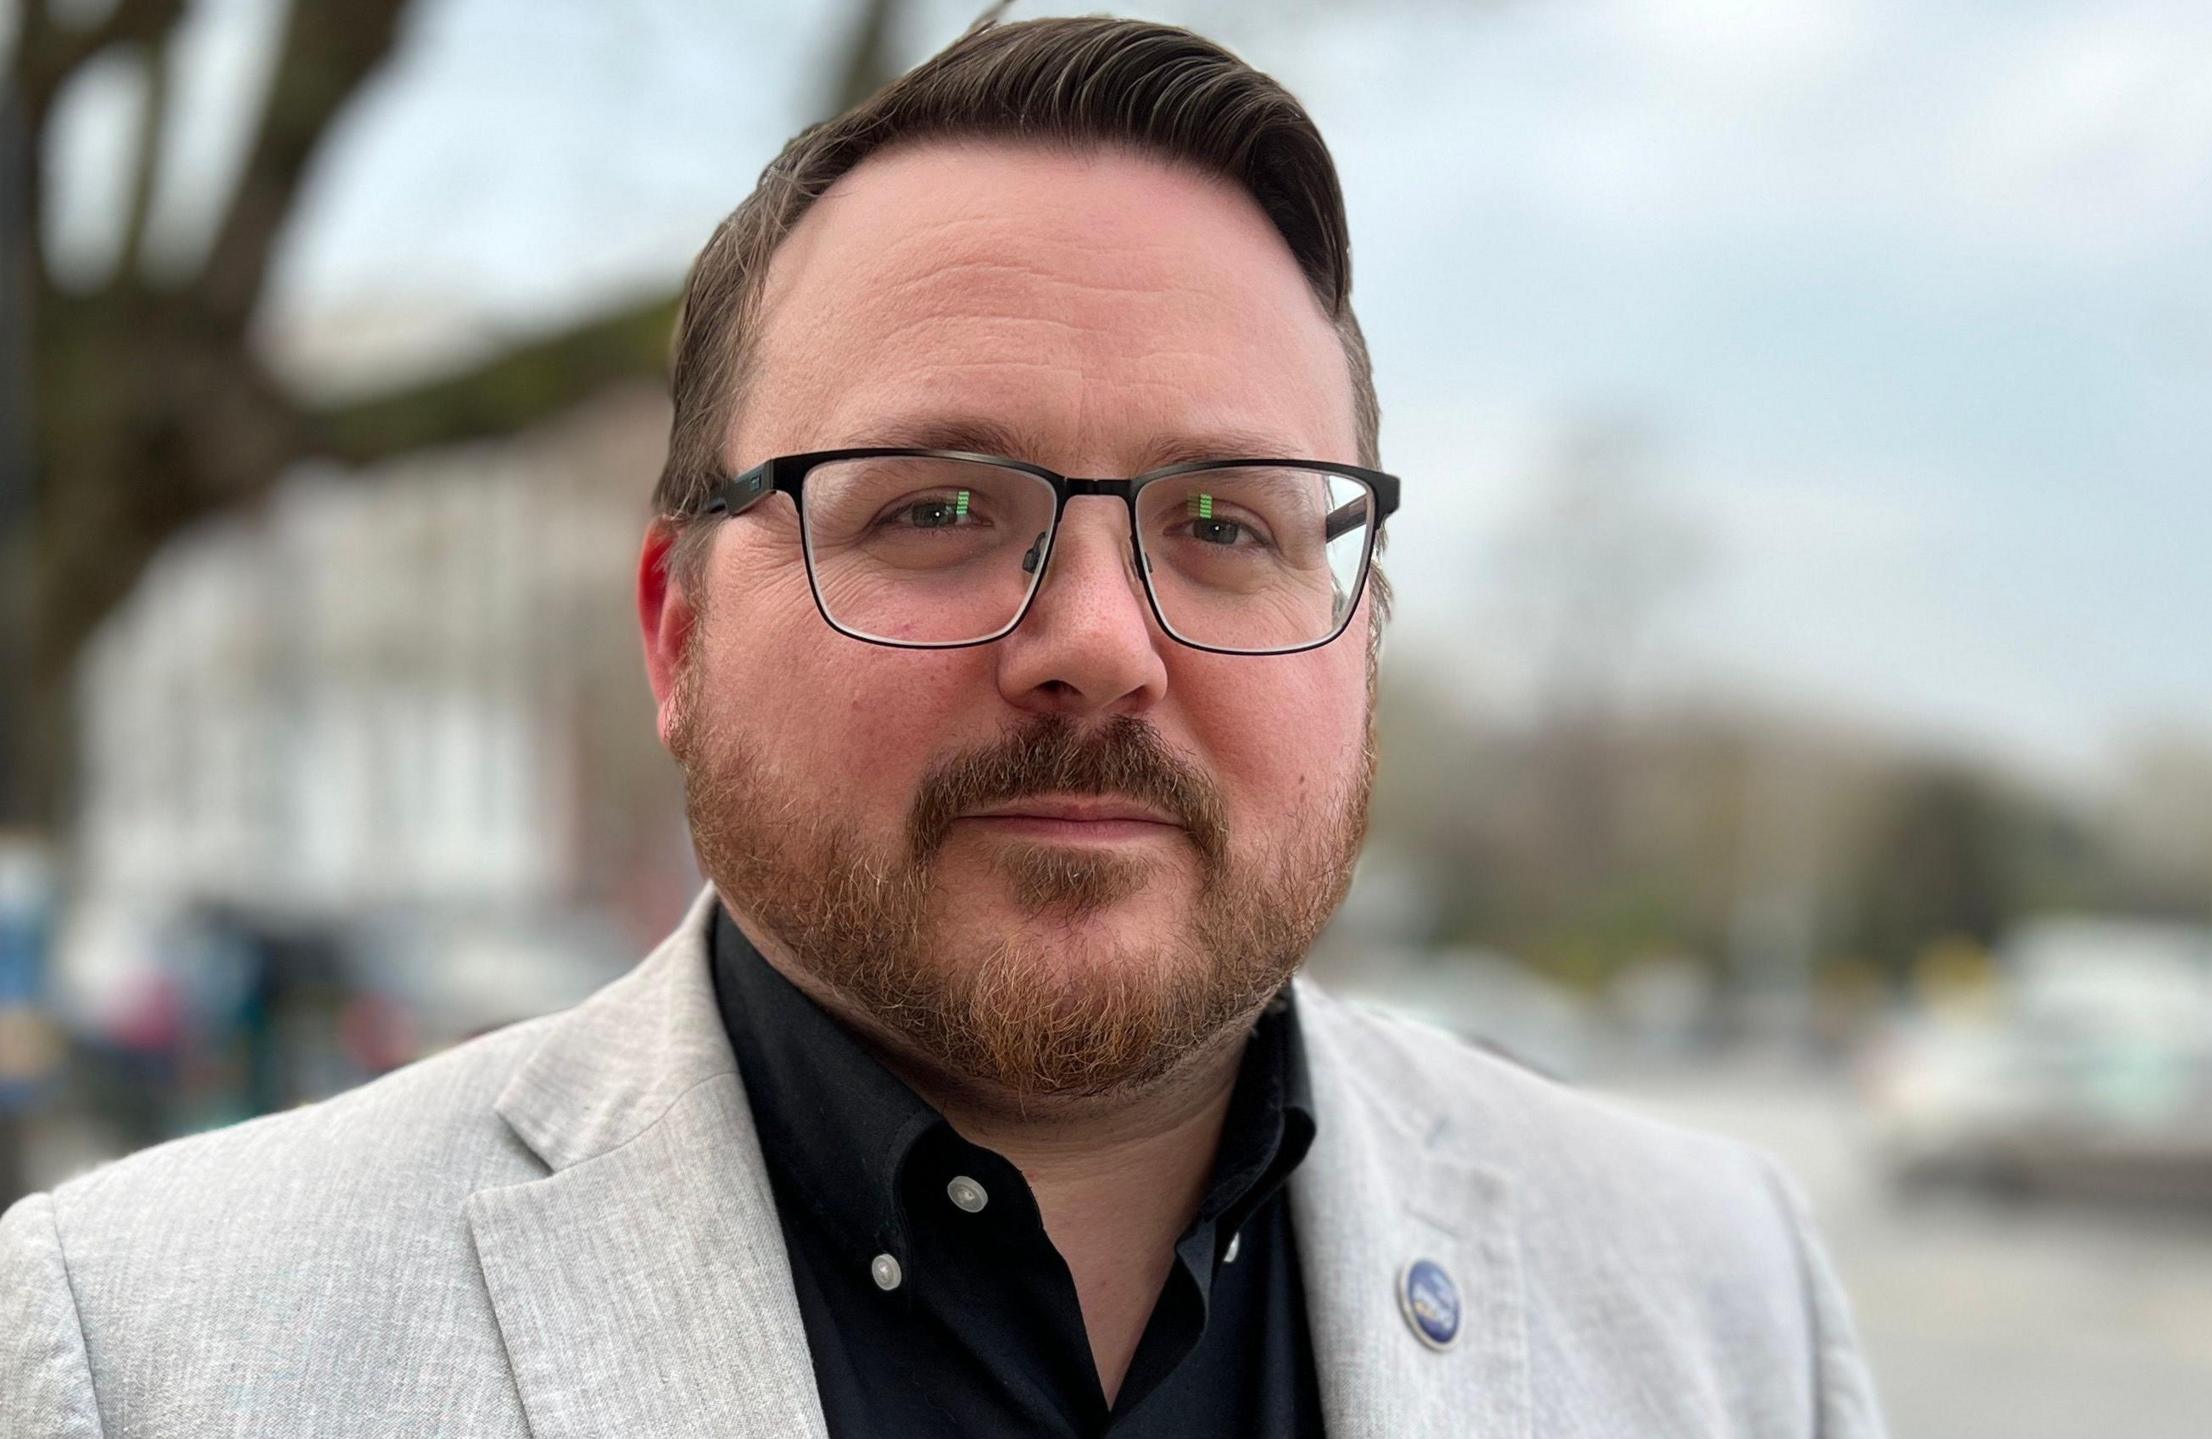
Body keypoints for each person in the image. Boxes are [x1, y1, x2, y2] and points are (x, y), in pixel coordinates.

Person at [0, 15, 1886, 1437]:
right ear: (674, 630)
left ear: (1362, 626)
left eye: (1226, 526)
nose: (1096, 645)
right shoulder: (141, 1353)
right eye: (933, 508)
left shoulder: (1722, 1309)